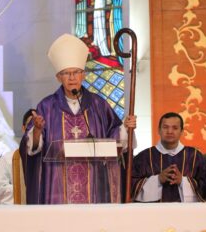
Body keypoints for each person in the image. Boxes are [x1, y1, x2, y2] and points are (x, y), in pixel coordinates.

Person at [20, 34, 136, 204]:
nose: (72, 77)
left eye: (76, 73)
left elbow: (115, 140)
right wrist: (37, 130)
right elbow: (32, 148)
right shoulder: (46, 107)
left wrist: (125, 128)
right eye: (66, 73)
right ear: (58, 78)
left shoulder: (99, 105)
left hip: (94, 187)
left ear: (83, 75)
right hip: (58, 188)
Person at [131, 112, 206, 202]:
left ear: (182, 131)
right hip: (154, 214)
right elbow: (130, 186)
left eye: (175, 128)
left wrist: (183, 182)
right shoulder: (143, 158)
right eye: (165, 127)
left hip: (187, 214)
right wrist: (158, 179)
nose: (170, 131)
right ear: (159, 130)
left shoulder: (194, 156)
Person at [0, 109, 35, 204]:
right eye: (30, 125)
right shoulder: (9, 158)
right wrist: (23, 190)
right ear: (23, 128)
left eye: (39, 126)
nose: (34, 130)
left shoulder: (49, 158)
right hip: (17, 214)